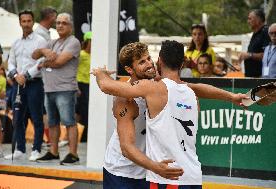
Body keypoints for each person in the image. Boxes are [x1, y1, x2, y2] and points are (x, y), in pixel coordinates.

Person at [92, 40, 248, 188]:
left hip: (148, 171)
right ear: (129, 70)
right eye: (142, 62)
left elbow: (195, 87)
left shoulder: (157, 84)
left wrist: (232, 97)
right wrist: (100, 73)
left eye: (148, 59)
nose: (149, 65)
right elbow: (126, 148)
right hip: (122, 171)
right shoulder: (125, 100)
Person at [32, 13, 81, 165]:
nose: (60, 25)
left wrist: (43, 63)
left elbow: (59, 62)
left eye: (64, 23)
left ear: (70, 26)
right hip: (49, 89)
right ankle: (54, 152)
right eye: (58, 23)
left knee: (69, 122)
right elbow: (34, 55)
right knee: (52, 122)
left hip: (65, 88)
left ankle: (73, 154)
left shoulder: (73, 42)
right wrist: (44, 52)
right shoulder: (52, 42)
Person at [5, 10, 46, 161]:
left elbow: (41, 62)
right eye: (24, 21)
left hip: (34, 83)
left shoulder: (40, 41)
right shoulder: (15, 42)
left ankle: (36, 149)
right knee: (17, 118)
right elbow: (10, 62)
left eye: (29, 21)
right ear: (20, 23)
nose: (26, 24)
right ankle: (20, 149)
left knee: (36, 117)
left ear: (33, 22)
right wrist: (16, 75)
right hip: (18, 84)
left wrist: (26, 75)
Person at [34, 7, 57, 147]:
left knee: (44, 110)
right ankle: (45, 139)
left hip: (45, 77)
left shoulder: (45, 33)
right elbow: (37, 58)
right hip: (38, 77)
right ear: (49, 16)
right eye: (55, 17)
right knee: (42, 110)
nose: (56, 20)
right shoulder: (39, 34)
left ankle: (46, 139)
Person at [239, 9, 270, 77]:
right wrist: (244, 56)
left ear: (258, 20)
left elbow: (268, 55)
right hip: (251, 76)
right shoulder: (255, 34)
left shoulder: (266, 32)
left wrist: (249, 55)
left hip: (260, 77)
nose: (248, 21)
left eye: (250, 19)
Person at [76, 31, 92, 142]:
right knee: (82, 111)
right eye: (91, 42)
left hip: (91, 85)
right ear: (87, 42)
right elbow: (73, 70)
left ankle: (85, 135)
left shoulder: (96, 55)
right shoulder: (81, 54)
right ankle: (81, 136)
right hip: (81, 84)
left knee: (87, 111)